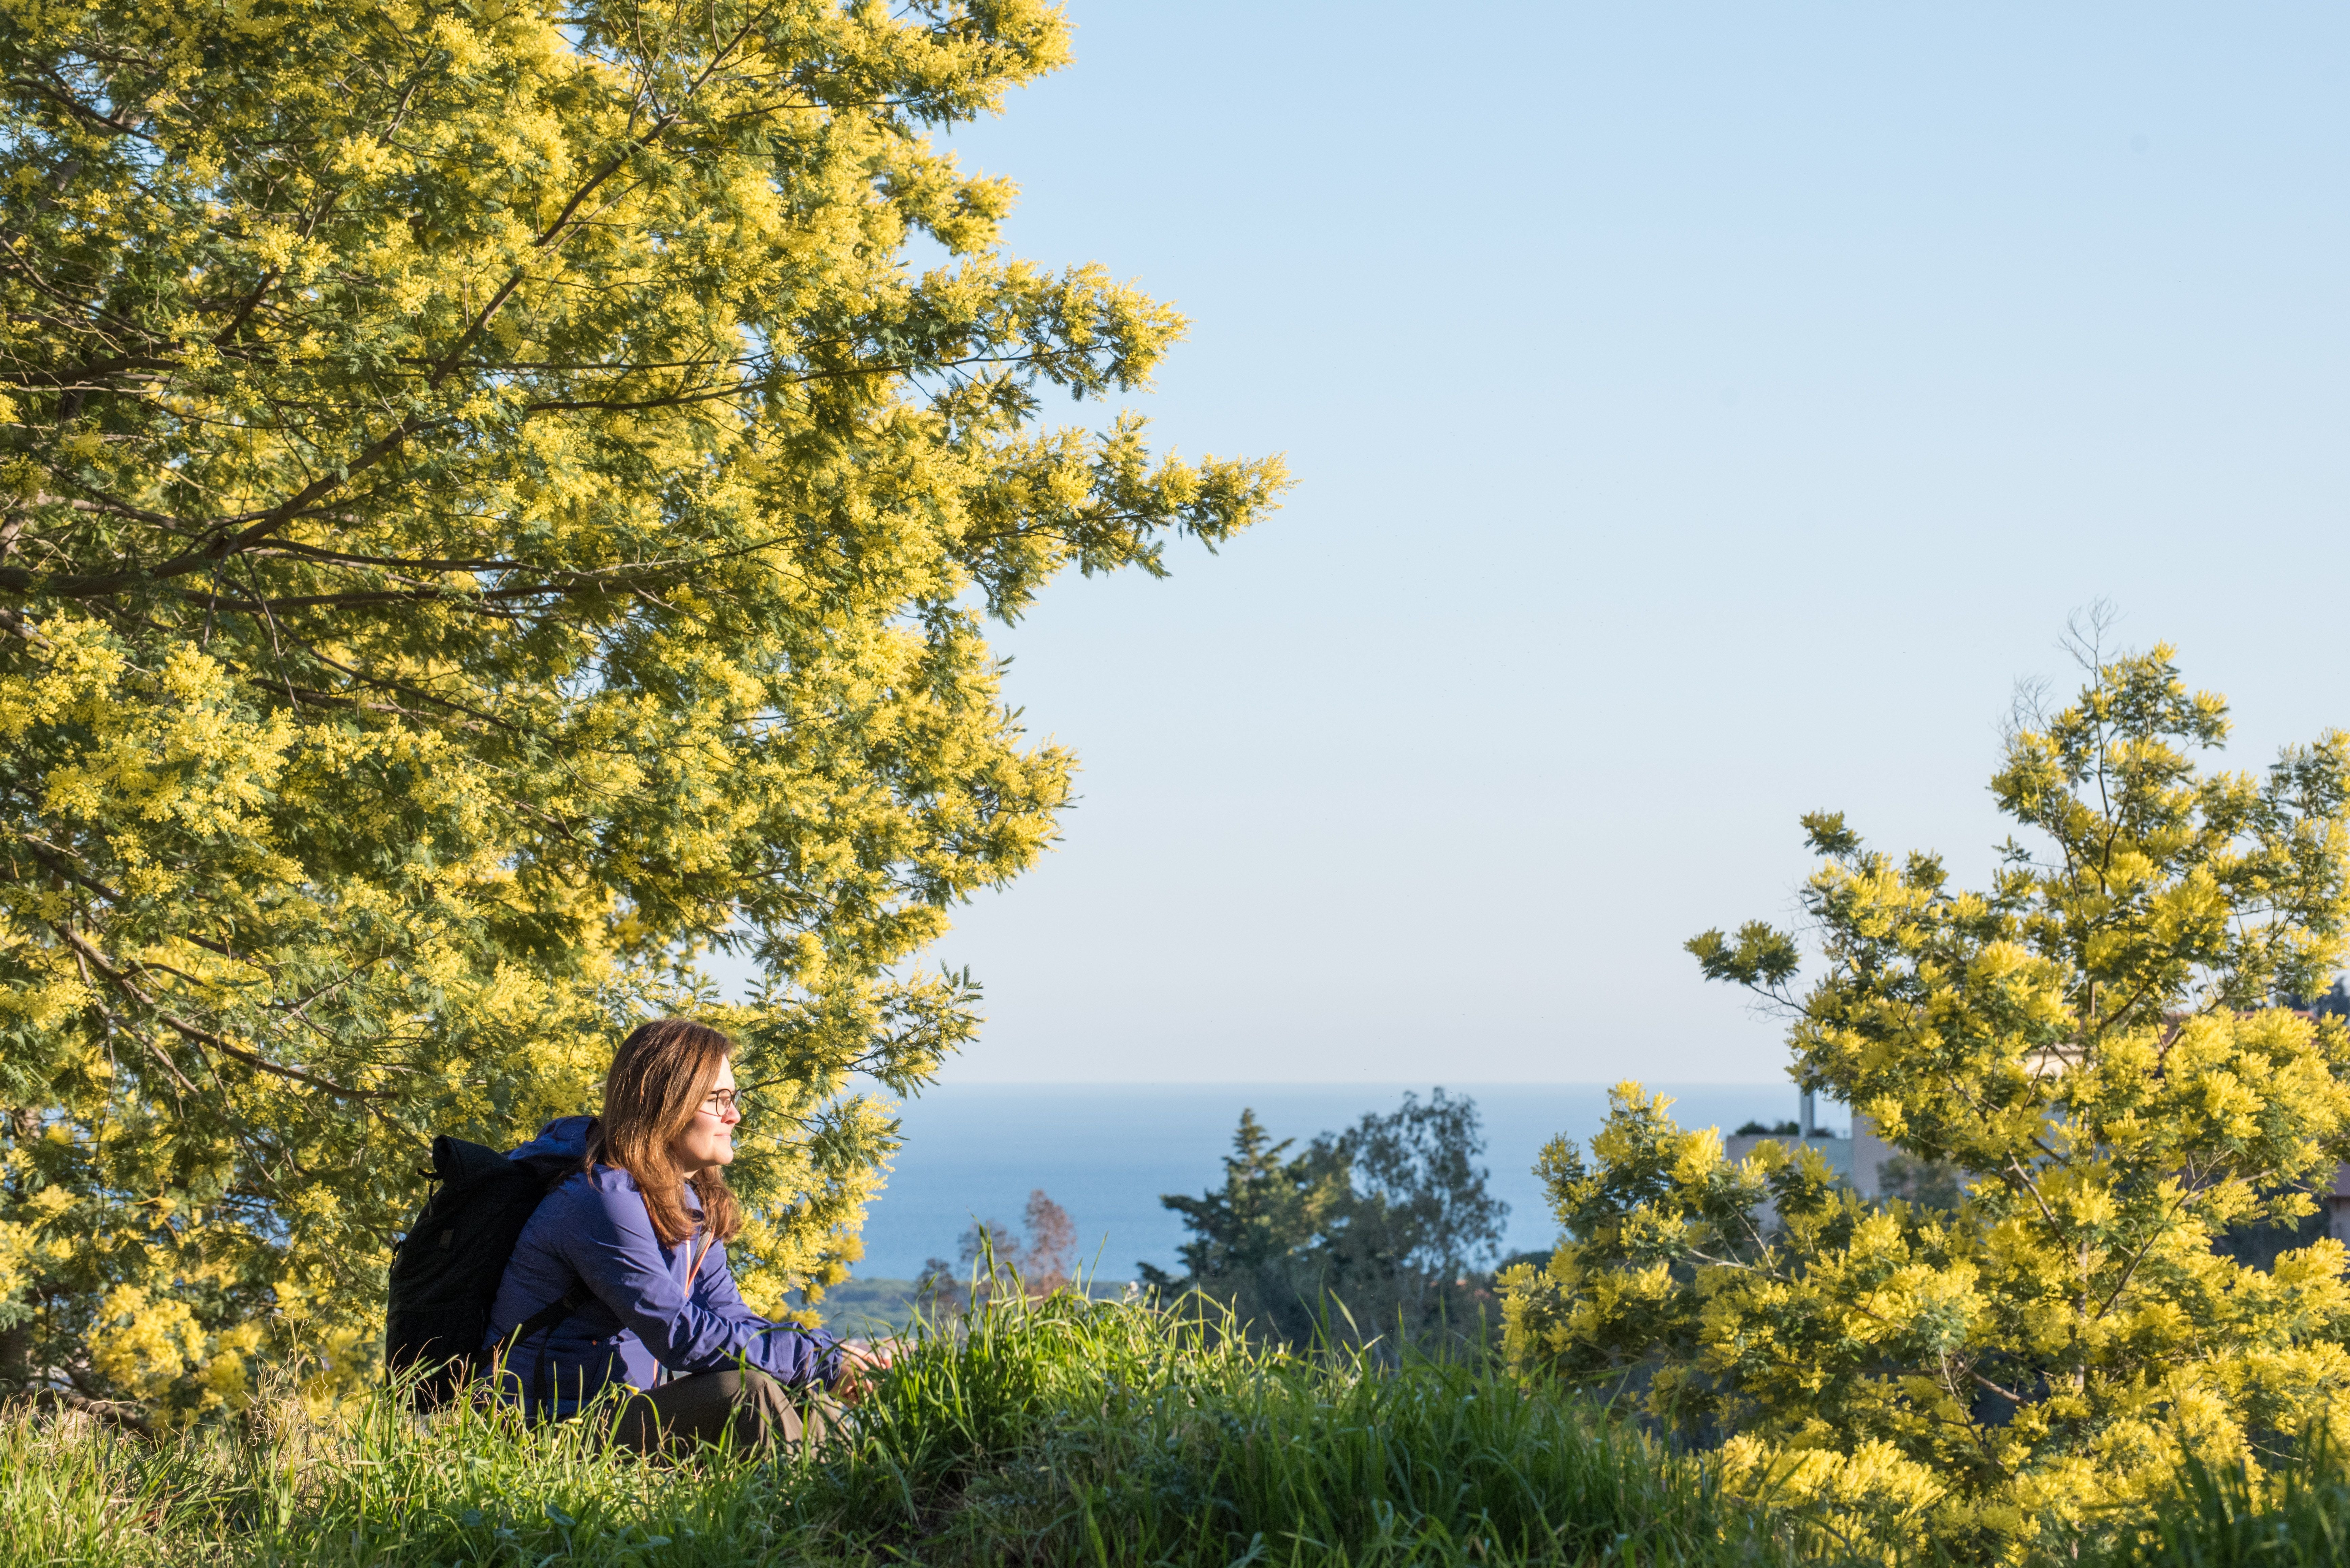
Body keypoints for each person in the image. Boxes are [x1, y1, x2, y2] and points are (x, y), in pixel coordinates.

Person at [483, 1017, 883, 1450]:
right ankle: (800, 1511)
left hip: (609, 1412)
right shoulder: (601, 1199)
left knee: (796, 1388)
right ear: (662, 1103)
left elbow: (731, 1317)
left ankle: (840, 1511)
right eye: (717, 1099)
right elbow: (678, 1333)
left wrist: (826, 1357)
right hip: (542, 1431)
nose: (735, 1114)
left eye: (733, 1097)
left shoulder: (689, 1200)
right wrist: (817, 1361)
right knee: (747, 1395)